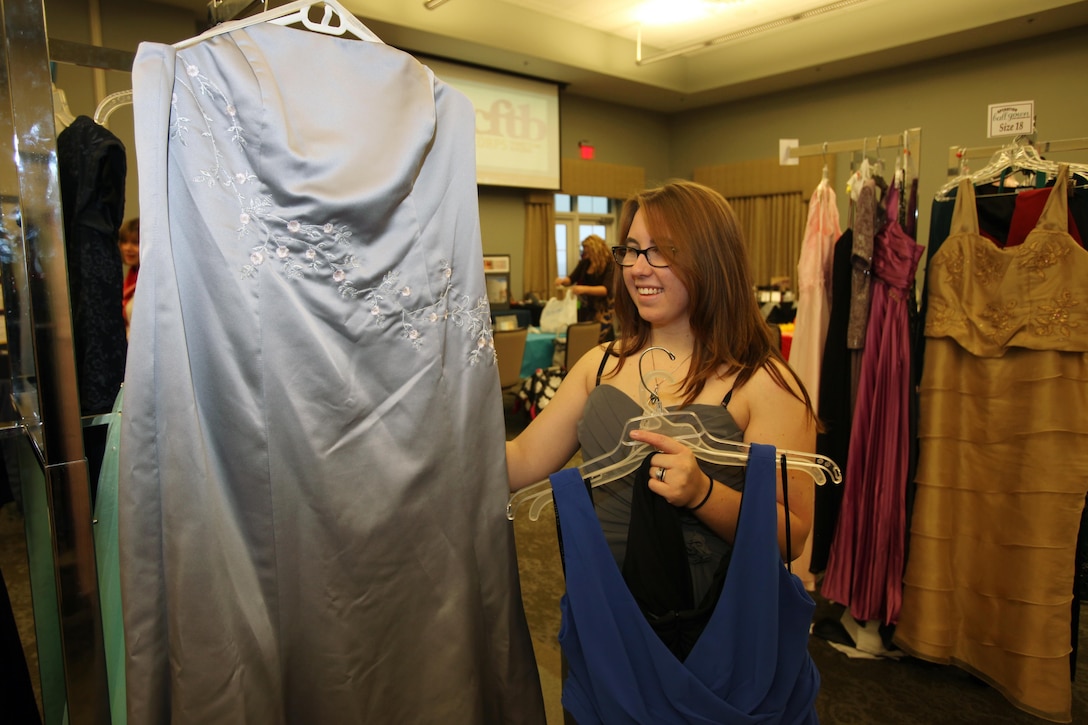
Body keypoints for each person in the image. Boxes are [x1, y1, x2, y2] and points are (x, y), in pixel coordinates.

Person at [506, 182, 820, 698]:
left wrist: (703, 494)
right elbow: (519, 461)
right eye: (631, 249)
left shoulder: (764, 384)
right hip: (603, 618)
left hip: (710, 636)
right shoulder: (600, 364)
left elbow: (793, 534)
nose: (636, 267)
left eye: (661, 252)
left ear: (711, 258)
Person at [556, 233, 615, 342]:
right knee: (586, 339)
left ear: (595, 249)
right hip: (586, 309)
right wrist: (563, 281)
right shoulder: (584, 263)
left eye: (587, 251)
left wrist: (583, 289)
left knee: (600, 340)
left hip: (602, 310)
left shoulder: (610, 264)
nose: (585, 253)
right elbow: (571, 278)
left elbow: (605, 290)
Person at [118, 217, 139, 338]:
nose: (128, 248)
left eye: (135, 242)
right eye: (124, 242)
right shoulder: (130, 276)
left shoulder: (148, 282)